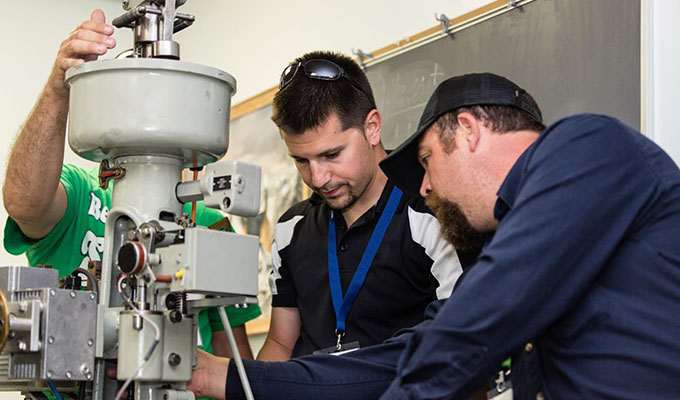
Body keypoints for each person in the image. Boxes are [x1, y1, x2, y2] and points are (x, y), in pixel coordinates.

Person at [188, 72, 680, 400]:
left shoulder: (588, 146)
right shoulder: (518, 247)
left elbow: (468, 332)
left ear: (466, 130)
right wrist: (232, 378)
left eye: (426, 161)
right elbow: (411, 355)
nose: (424, 188)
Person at [2, 9, 260, 360]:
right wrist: (57, 89)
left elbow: (233, 360)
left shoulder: (210, 224)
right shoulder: (78, 197)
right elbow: (24, 203)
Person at [257, 51, 466, 361]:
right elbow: (280, 345)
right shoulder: (291, 228)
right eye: (301, 160)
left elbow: (462, 341)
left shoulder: (433, 212)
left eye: (331, 155)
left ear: (372, 128)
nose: (318, 178)